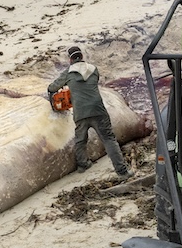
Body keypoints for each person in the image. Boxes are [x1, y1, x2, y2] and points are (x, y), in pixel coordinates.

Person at [47, 46, 131, 179]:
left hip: (80, 113)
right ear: (82, 56)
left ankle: (82, 164)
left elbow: (52, 87)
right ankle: (122, 172)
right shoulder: (93, 69)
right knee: (109, 139)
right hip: (98, 110)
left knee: (80, 140)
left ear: (70, 59)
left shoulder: (68, 72)